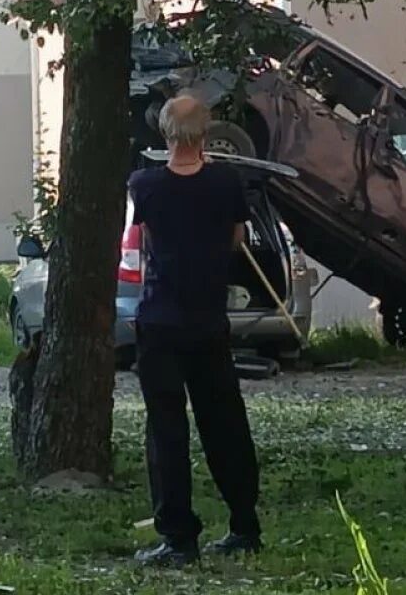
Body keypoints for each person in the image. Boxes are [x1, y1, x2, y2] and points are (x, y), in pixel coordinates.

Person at [128, 96, 261, 567]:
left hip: (160, 320)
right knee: (225, 422)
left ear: (165, 135)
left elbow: (140, 243)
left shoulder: (144, 185)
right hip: (209, 321)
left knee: (166, 430)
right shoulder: (226, 182)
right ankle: (244, 523)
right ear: (206, 134)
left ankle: (178, 536)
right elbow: (236, 240)